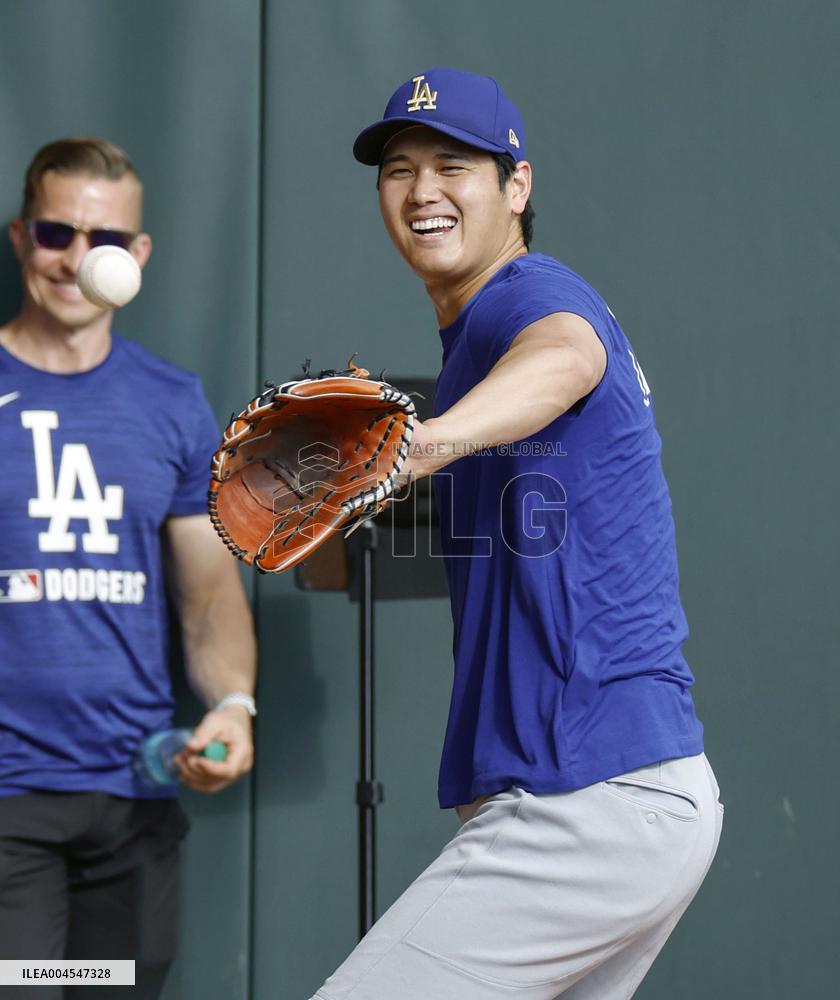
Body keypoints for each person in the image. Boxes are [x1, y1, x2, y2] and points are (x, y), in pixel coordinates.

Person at [311, 68, 724, 1000]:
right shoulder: (469, 352)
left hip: (588, 794)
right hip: (633, 795)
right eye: (399, 168)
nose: (422, 190)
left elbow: (566, 354)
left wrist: (424, 444)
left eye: (454, 165)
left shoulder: (523, 295)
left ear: (517, 187)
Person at [0, 138, 257, 998]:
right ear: (19, 238)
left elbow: (211, 593)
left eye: (104, 240)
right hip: (10, 809)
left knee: (112, 990)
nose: (77, 260)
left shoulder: (173, 402)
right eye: (54, 232)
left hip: (134, 805)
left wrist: (231, 705)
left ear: (138, 256)